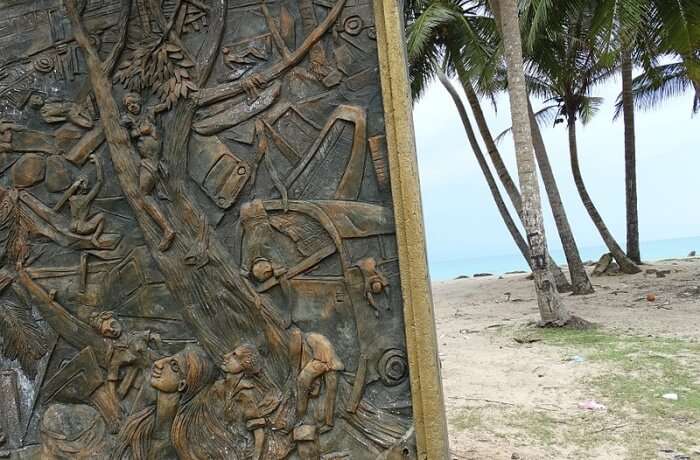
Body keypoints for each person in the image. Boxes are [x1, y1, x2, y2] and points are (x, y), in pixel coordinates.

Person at [113, 347, 236, 460]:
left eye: (174, 366)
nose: (158, 363)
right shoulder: (135, 426)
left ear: (182, 384)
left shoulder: (191, 444)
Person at [216, 344, 293, 460]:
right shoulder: (219, 387)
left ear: (244, 364)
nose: (226, 356)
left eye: (234, 355)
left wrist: (256, 457)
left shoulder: (245, 394)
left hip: (241, 450)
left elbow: (257, 430)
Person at [120, 93, 175, 251]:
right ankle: (167, 228)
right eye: (129, 105)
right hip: (147, 161)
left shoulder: (149, 113)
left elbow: (163, 105)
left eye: (134, 103)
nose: (132, 106)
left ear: (140, 102)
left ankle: (167, 229)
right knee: (144, 196)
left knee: (144, 196)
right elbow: (124, 125)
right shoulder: (129, 119)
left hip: (152, 161)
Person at [89, 310, 160, 401]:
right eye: (106, 332)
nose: (112, 330)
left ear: (115, 319)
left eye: (112, 324)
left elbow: (155, 338)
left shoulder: (134, 335)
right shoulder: (116, 353)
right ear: (104, 336)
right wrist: (113, 401)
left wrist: (157, 344)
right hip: (144, 380)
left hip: (159, 366)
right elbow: (112, 378)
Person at [54, 154, 106, 245]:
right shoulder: (86, 199)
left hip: (72, 226)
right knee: (101, 216)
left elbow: (58, 205)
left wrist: (74, 186)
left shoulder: (71, 198)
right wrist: (97, 162)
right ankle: (95, 237)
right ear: (85, 188)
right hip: (83, 228)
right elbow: (100, 181)